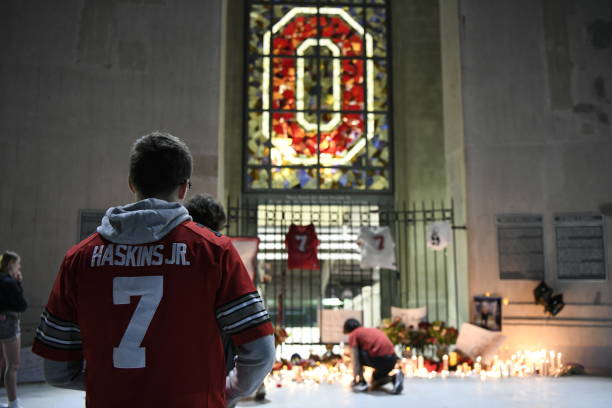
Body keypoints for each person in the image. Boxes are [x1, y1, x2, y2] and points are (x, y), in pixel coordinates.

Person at [31, 131, 275, 408]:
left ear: (131, 183)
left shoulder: (79, 259)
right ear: (183, 188)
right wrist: (227, 390)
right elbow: (261, 351)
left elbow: (56, 370)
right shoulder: (214, 253)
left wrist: (110, 381)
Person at [343, 318, 403, 394]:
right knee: (375, 380)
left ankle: (361, 382)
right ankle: (394, 378)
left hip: (380, 359)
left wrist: (355, 378)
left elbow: (355, 358)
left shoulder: (353, 334)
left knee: (358, 353)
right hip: (392, 360)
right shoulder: (371, 330)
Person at [0, 251, 28, 408]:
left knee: (1, 362)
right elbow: (21, 305)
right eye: (18, 263)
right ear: (11, 264)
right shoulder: (9, 282)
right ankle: (14, 403)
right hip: (8, 322)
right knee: (13, 365)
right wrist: (18, 283)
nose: (20, 266)